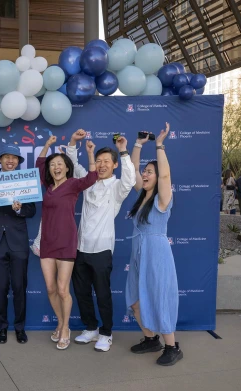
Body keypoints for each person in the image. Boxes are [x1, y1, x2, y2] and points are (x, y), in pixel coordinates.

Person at [67, 130, 136, 352]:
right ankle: (91, 328)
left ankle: (106, 333)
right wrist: (74, 144)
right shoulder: (88, 182)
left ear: (114, 165)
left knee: (103, 294)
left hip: (102, 249)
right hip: (80, 248)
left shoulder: (117, 188)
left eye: (107, 161)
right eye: (99, 161)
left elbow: (130, 179)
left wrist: (123, 150)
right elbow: (74, 166)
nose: (102, 164)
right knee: (81, 292)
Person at [126, 122, 183, 366]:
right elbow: (132, 171)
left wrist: (159, 145)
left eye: (151, 171)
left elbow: (166, 174)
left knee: (159, 298)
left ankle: (172, 346)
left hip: (157, 253)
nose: (146, 174)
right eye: (145, 171)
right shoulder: (142, 196)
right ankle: (151, 340)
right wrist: (138, 144)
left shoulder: (162, 199)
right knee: (136, 300)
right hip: (138, 253)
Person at [36, 135, 98, 350]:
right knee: (51, 288)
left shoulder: (73, 184)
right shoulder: (47, 186)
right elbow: (39, 163)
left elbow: (92, 177)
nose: (56, 167)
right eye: (53, 165)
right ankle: (62, 323)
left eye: (60, 164)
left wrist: (90, 153)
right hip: (47, 242)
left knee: (63, 290)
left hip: (66, 242)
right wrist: (47, 146)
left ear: (67, 167)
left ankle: (64, 329)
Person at [0, 145, 36, 344]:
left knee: (20, 286)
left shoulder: (25, 179)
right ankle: (2, 328)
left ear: (19, 162)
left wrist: (20, 210)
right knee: (0, 286)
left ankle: (20, 328)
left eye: (14, 158)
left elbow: (32, 210)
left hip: (18, 240)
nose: (10, 161)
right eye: (6, 157)